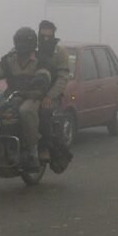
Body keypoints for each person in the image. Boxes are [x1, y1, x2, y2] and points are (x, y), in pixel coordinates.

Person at [0, 27, 51, 172]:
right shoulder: (9, 59)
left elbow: (44, 75)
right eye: (19, 41)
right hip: (12, 94)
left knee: (25, 111)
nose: (21, 45)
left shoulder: (40, 59)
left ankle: (33, 152)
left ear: (32, 43)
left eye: (24, 42)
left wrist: (38, 81)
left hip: (33, 94)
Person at [36, 20, 70, 160]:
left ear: (53, 35)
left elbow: (63, 77)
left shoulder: (60, 52)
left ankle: (44, 146)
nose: (45, 39)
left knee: (44, 112)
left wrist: (50, 96)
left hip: (50, 96)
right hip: (31, 93)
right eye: (42, 35)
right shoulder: (32, 49)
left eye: (48, 36)